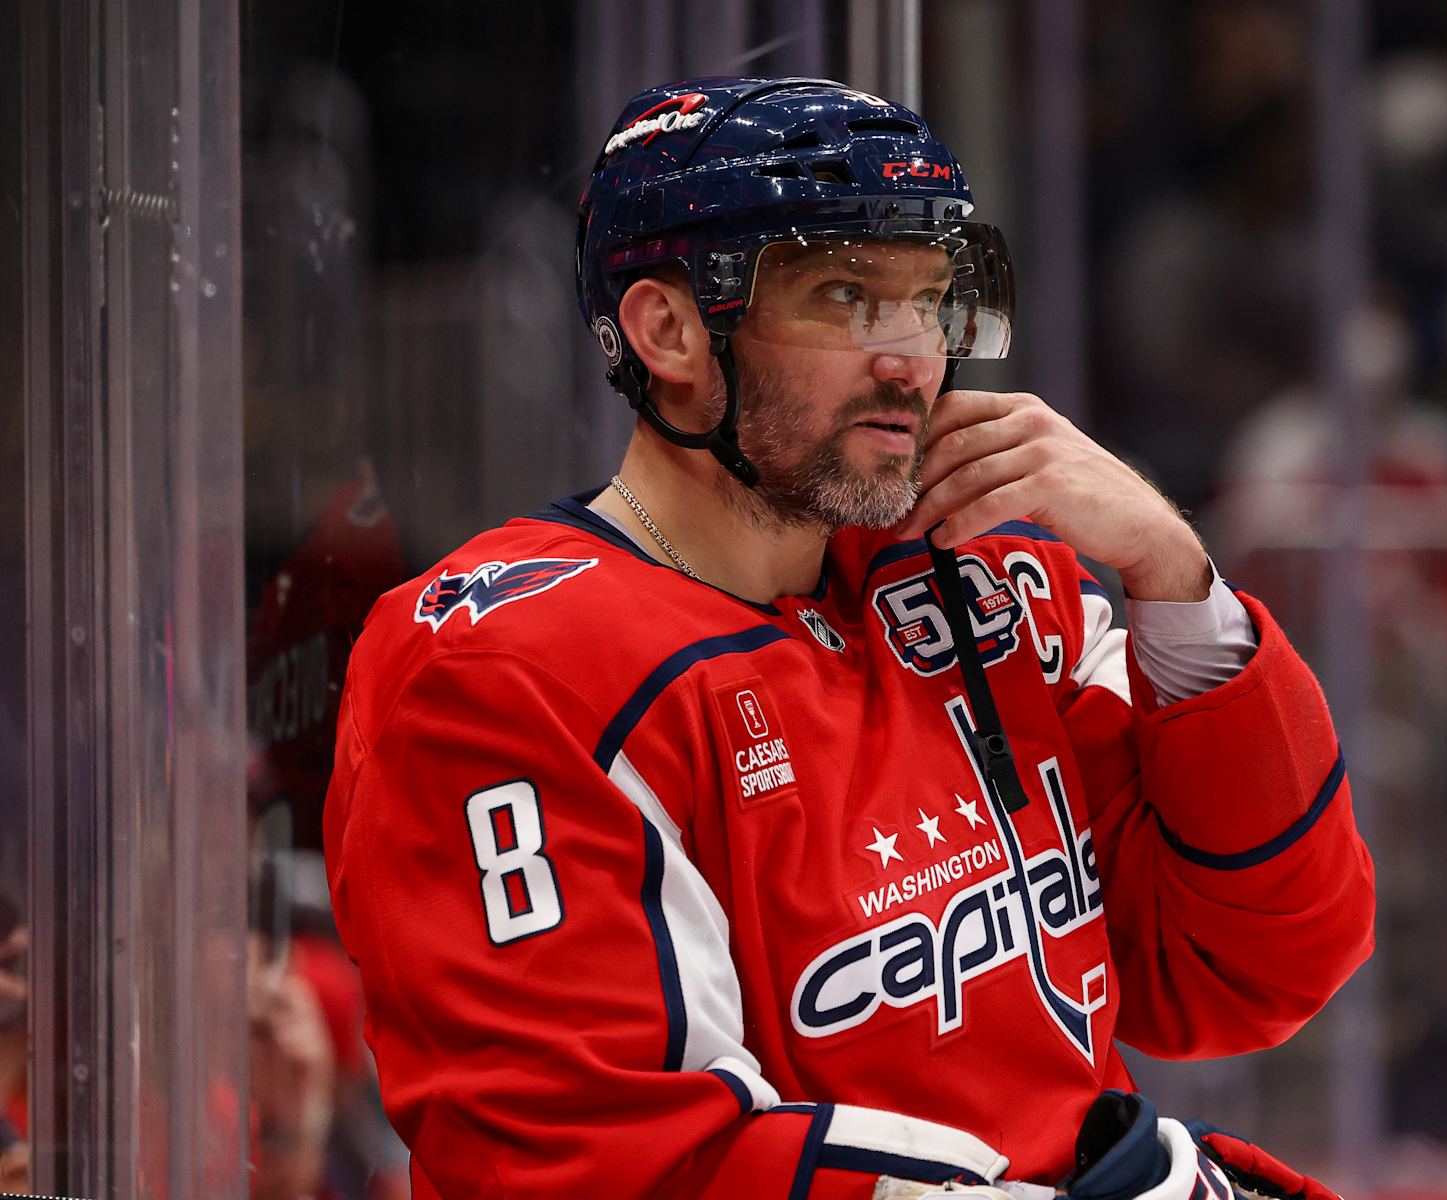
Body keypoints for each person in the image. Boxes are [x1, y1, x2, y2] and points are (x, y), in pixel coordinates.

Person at [323, 77, 1374, 1200]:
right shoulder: (499, 667)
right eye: (843, 294)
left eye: (928, 299)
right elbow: (606, 1160)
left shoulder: (984, 577)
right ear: (669, 330)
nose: (912, 359)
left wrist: (1171, 575)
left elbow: (1247, 965)